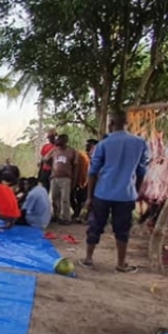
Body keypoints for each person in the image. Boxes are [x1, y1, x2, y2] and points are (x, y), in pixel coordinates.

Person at [81, 111, 149, 273]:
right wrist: (136, 192)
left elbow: (92, 172)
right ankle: (121, 263)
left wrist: (89, 197)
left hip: (103, 193)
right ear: (127, 124)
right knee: (122, 229)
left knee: (95, 225)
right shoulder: (140, 143)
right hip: (126, 195)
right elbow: (141, 171)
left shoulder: (103, 144)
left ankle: (88, 259)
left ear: (111, 124)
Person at [44, 134, 79, 225]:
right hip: (54, 177)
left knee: (65, 198)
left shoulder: (72, 151)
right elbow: (45, 159)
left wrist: (74, 180)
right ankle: (56, 215)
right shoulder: (54, 150)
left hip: (66, 178)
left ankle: (66, 218)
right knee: (55, 197)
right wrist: (52, 167)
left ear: (65, 140)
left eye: (59, 139)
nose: (56, 141)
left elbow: (76, 166)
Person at [72, 140, 93, 222]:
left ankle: (85, 216)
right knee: (78, 198)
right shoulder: (82, 155)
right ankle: (78, 214)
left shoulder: (95, 157)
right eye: (87, 145)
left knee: (87, 199)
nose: (87, 146)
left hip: (90, 181)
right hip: (81, 180)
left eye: (89, 145)